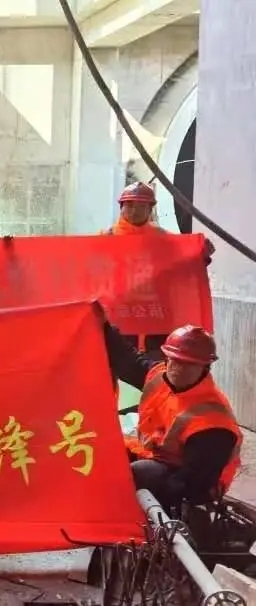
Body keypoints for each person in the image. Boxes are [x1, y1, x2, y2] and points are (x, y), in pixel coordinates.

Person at [100, 313, 241, 510]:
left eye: (189, 364)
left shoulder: (213, 422)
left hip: (194, 481)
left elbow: (192, 482)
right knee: (103, 450)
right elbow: (127, 360)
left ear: (205, 367)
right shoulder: (159, 377)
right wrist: (102, 325)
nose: (178, 368)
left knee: (136, 474)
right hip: (158, 457)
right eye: (175, 360)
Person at [101, 181, 215, 358]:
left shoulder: (164, 240)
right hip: (120, 314)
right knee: (116, 362)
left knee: (157, 364)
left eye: (141, 206)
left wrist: (201, 254)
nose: (135, 210)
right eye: (130, 205)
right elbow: (90, 271)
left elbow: (184, 266)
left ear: (150, 209)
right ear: (121, 206)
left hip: (156, 315)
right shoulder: (105, 238)